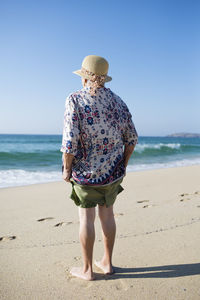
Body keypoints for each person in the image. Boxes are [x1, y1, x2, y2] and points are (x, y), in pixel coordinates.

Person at [60, 55, 138, 281]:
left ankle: (87, 270)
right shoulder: (118, 102)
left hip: (85, 174)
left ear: (84, 77)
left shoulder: (74, 99)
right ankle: (107, 263)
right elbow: (132, 138)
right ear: (104, 79)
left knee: (86, 219)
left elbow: (70, 141)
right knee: (108, 216)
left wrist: (66, 169)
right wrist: (122, 164)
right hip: (112, 173)